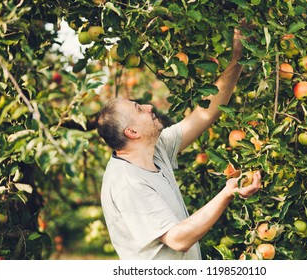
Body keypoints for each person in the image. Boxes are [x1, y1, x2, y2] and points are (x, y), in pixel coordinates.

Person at [96, 27, 262, 260]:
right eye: (139, 109)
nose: (149, 107)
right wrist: (227, 192)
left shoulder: (155, 150)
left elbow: (206, 113)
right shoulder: (128, 183)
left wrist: (238, 58)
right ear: (132, 132)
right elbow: (177, 238)